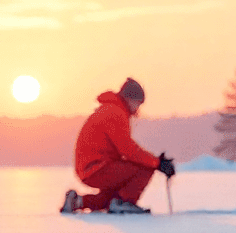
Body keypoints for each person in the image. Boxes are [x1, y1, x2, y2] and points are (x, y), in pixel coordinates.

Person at [61, 77, 175, 214]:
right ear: (130, 99)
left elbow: (124, 150)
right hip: (98, 168)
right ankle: (123, 203)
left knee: (110, 198)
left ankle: (77, 201)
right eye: (138, 103)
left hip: (92, 167)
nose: (138, 108)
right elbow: (127, 149)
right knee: (145, 168)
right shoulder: (115, 113)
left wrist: (155, 161)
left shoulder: (111, 110)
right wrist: (156, 163)